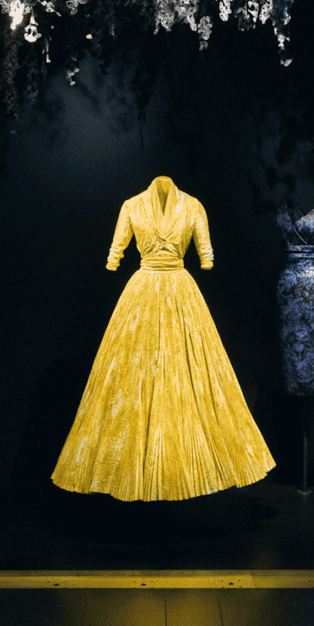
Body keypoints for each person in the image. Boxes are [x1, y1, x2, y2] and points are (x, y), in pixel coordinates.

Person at [51, 175, 275, 501]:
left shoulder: (193, 206)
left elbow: (205, 252)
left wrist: (205, 257)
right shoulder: (132, 205)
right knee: (131, 377)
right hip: (142, 288)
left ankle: (182, 463)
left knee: (187, 373)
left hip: (181, 289)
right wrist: (114, 259)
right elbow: (116, 249)